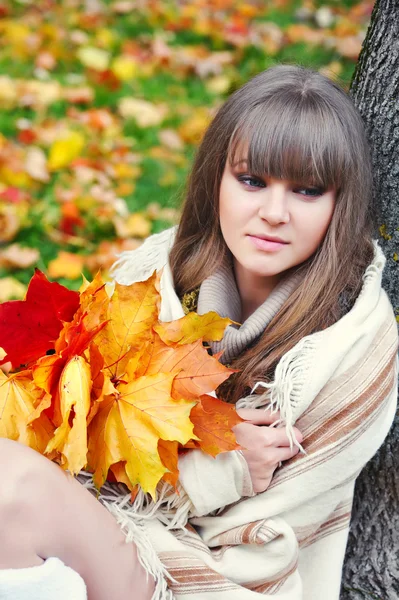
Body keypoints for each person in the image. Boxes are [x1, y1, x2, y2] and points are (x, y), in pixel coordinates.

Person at [0, 64, 397, 600]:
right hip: (112, 530)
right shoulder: (152, 277)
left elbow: (257, 544)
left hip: (209, 580)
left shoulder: (350, 349)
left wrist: (185, 477)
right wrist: (217, 469)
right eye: (252, 181)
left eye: (306, 191)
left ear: (339, 204)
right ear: (217, 180)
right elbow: (76, 445)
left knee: (13, 488)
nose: (273, 213)